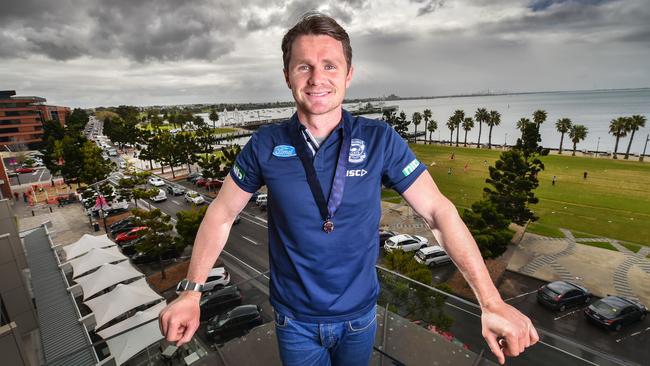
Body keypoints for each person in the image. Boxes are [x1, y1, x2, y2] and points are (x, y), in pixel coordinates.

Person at [159, 13, 537, 366]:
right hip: (296, 322)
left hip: (360, 318)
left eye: (329, 65)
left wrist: (491, 301)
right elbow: (222, 214)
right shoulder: (265, 144)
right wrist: (192, 291)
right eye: (304, 66)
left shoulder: (380, 140)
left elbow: (438, 212)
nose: (316, 77)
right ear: (288, 75)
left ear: (348, 74)